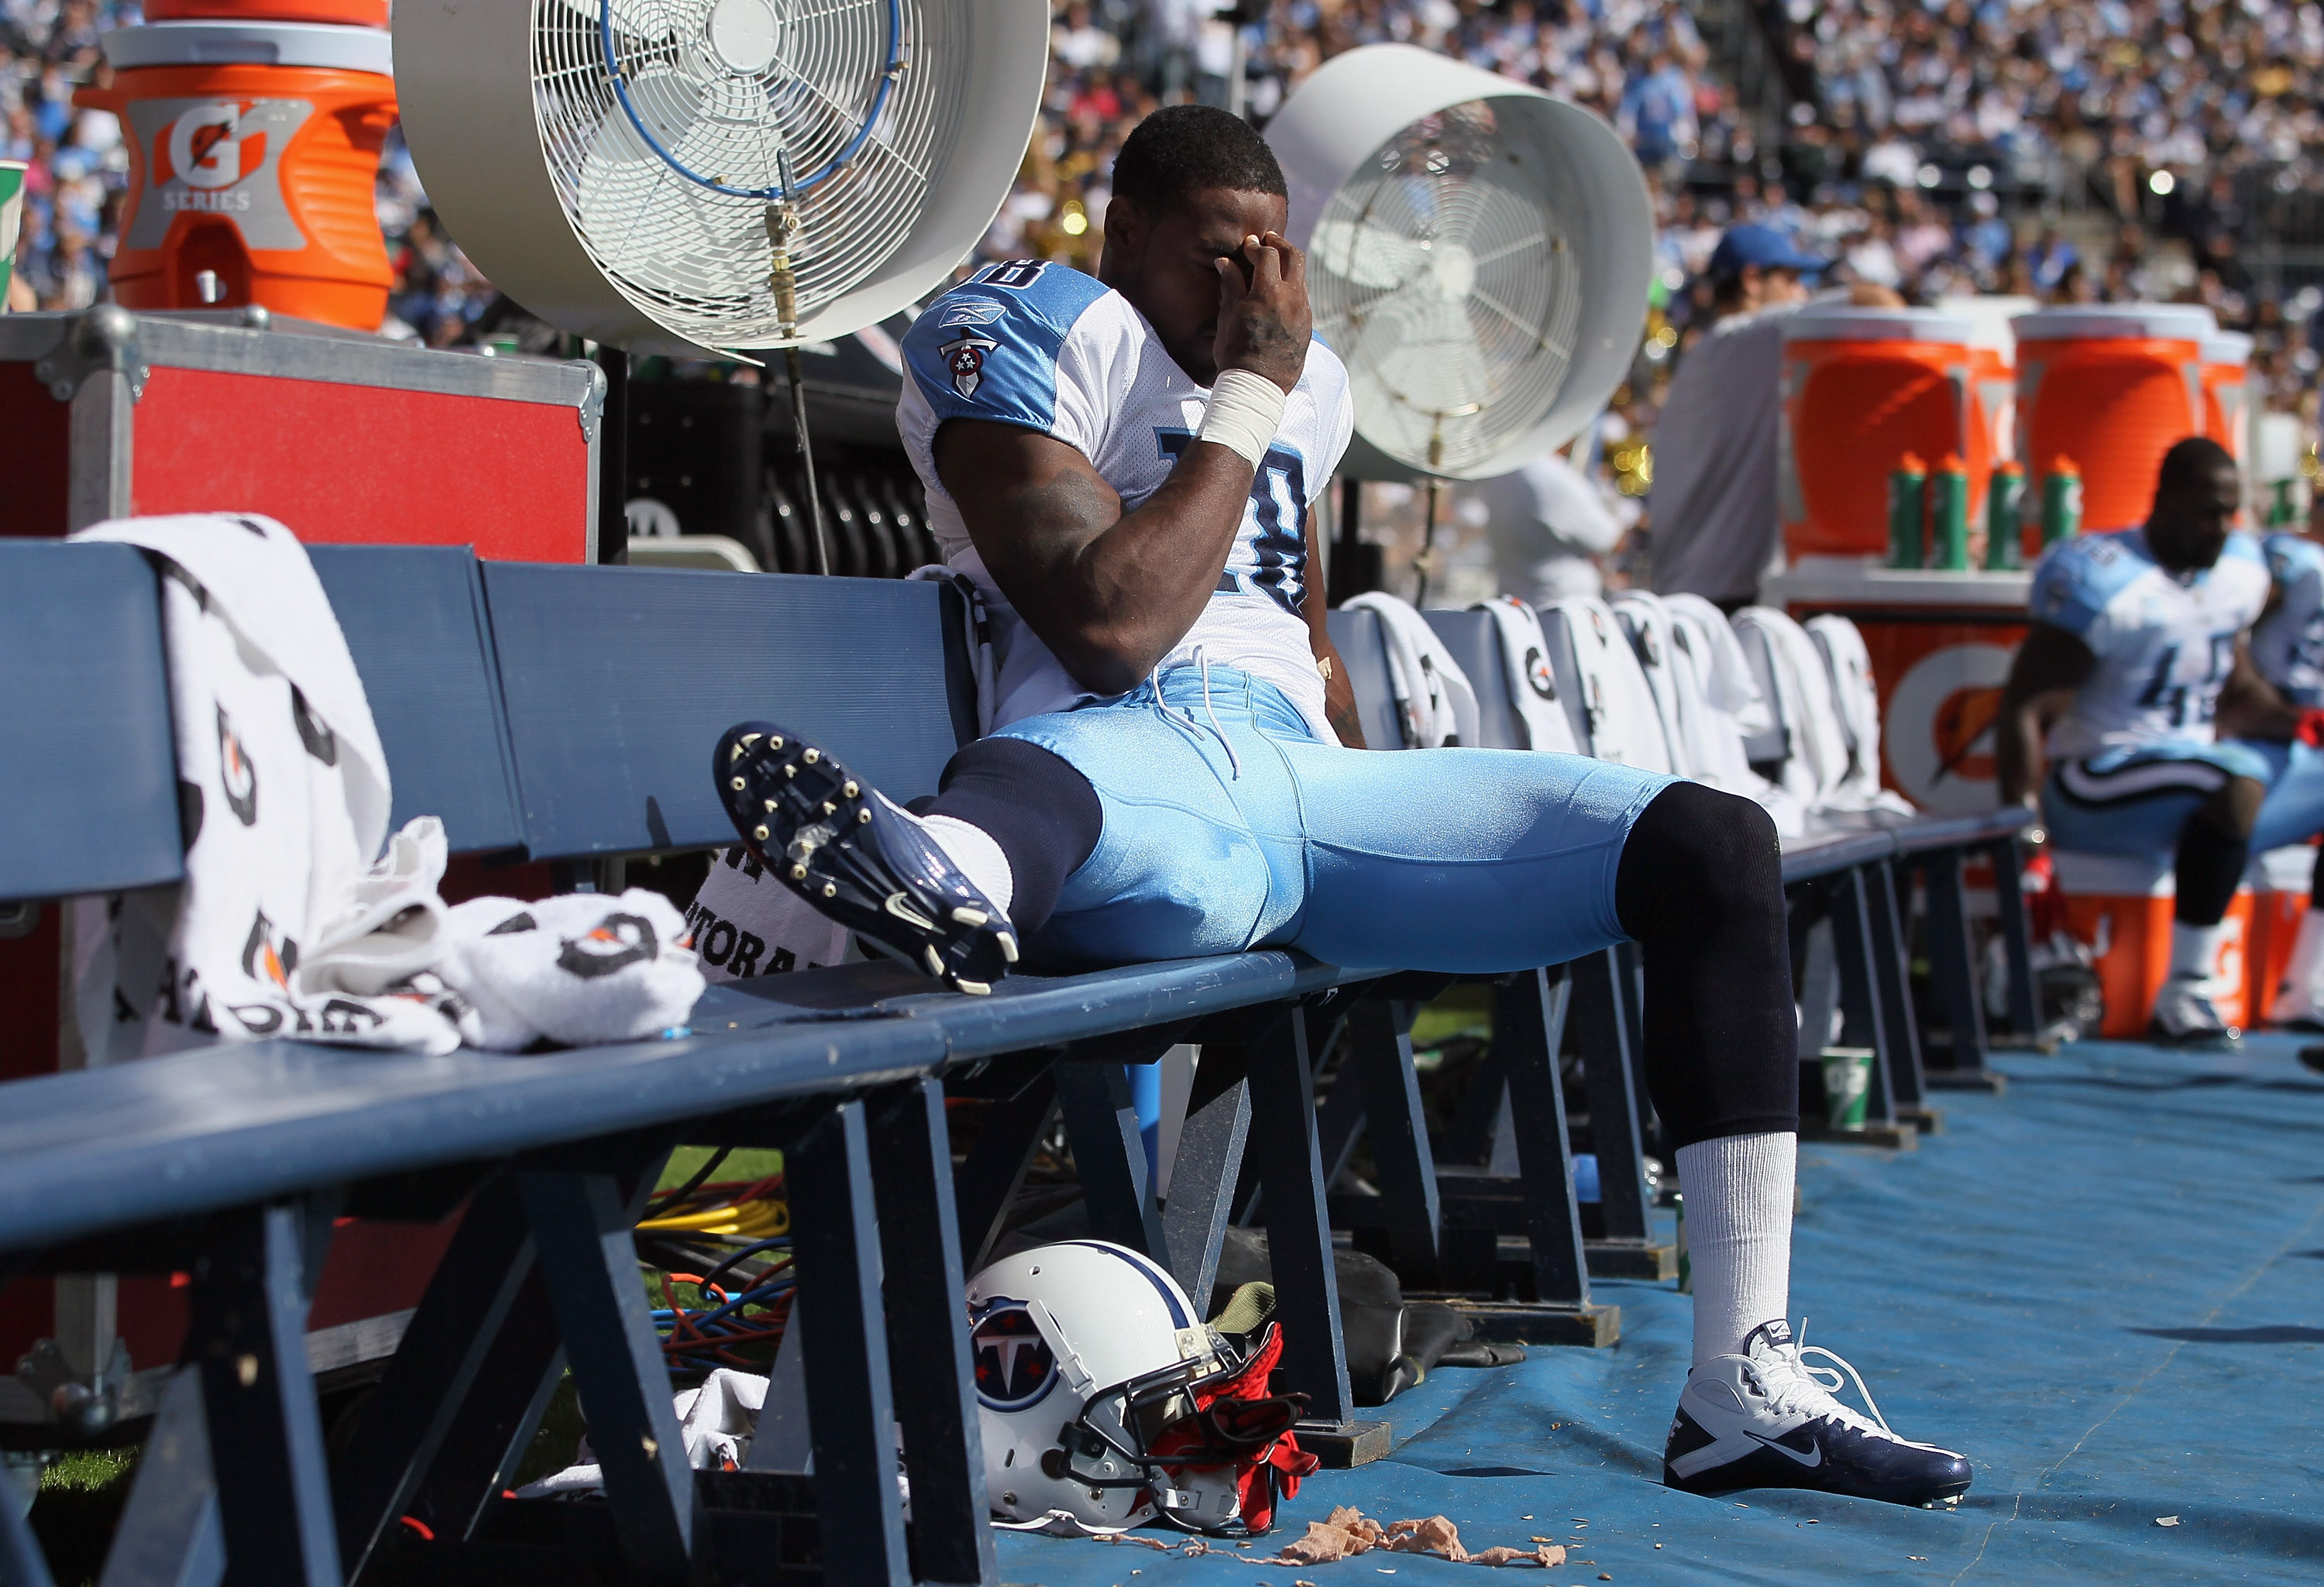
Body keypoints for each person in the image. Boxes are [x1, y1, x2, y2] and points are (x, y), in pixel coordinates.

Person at [716, 105, 1971, 1507]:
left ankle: (1741, 1384)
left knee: (1710, 842)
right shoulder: (1038, 324)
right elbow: (1110, 627)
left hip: (1303, 782)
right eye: (1212, 259)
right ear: (1122, 230)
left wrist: (1392, 811)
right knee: (1064, 782)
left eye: (1271, 258)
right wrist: (1251, 392)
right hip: (1137, 754)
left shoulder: (1304, 384)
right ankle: (936, 870)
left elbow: (1305, 641)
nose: (1253, 294)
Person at [1996, 438, 2324, 1046]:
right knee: (2233, 785)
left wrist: (2296, 722)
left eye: (2229, 512)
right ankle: (2185, 992)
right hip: (2098, 776)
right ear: (2164, 501)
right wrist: (2026, 835)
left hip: (2189, 765)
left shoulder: (2239, 572)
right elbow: (2025, 707)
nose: (2221, 527)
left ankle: (2309, 990)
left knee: (2244, 779)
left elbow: (2232, 685)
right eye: (2207, 511)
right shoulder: (2105, 579)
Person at [1647, 225, 1901, 610]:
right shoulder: (1747, 338)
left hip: (1690, 590)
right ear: (1752, 280)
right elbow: (1879, 301)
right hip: (1719, 598)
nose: (1801, 293)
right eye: (1792, 280)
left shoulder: (1711, 352)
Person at [1464, 447, 1628, 603]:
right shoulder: (1552, 475)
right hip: (1558, 610)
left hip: (1515, 603)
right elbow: (1611, 540)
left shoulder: (1505, 470)